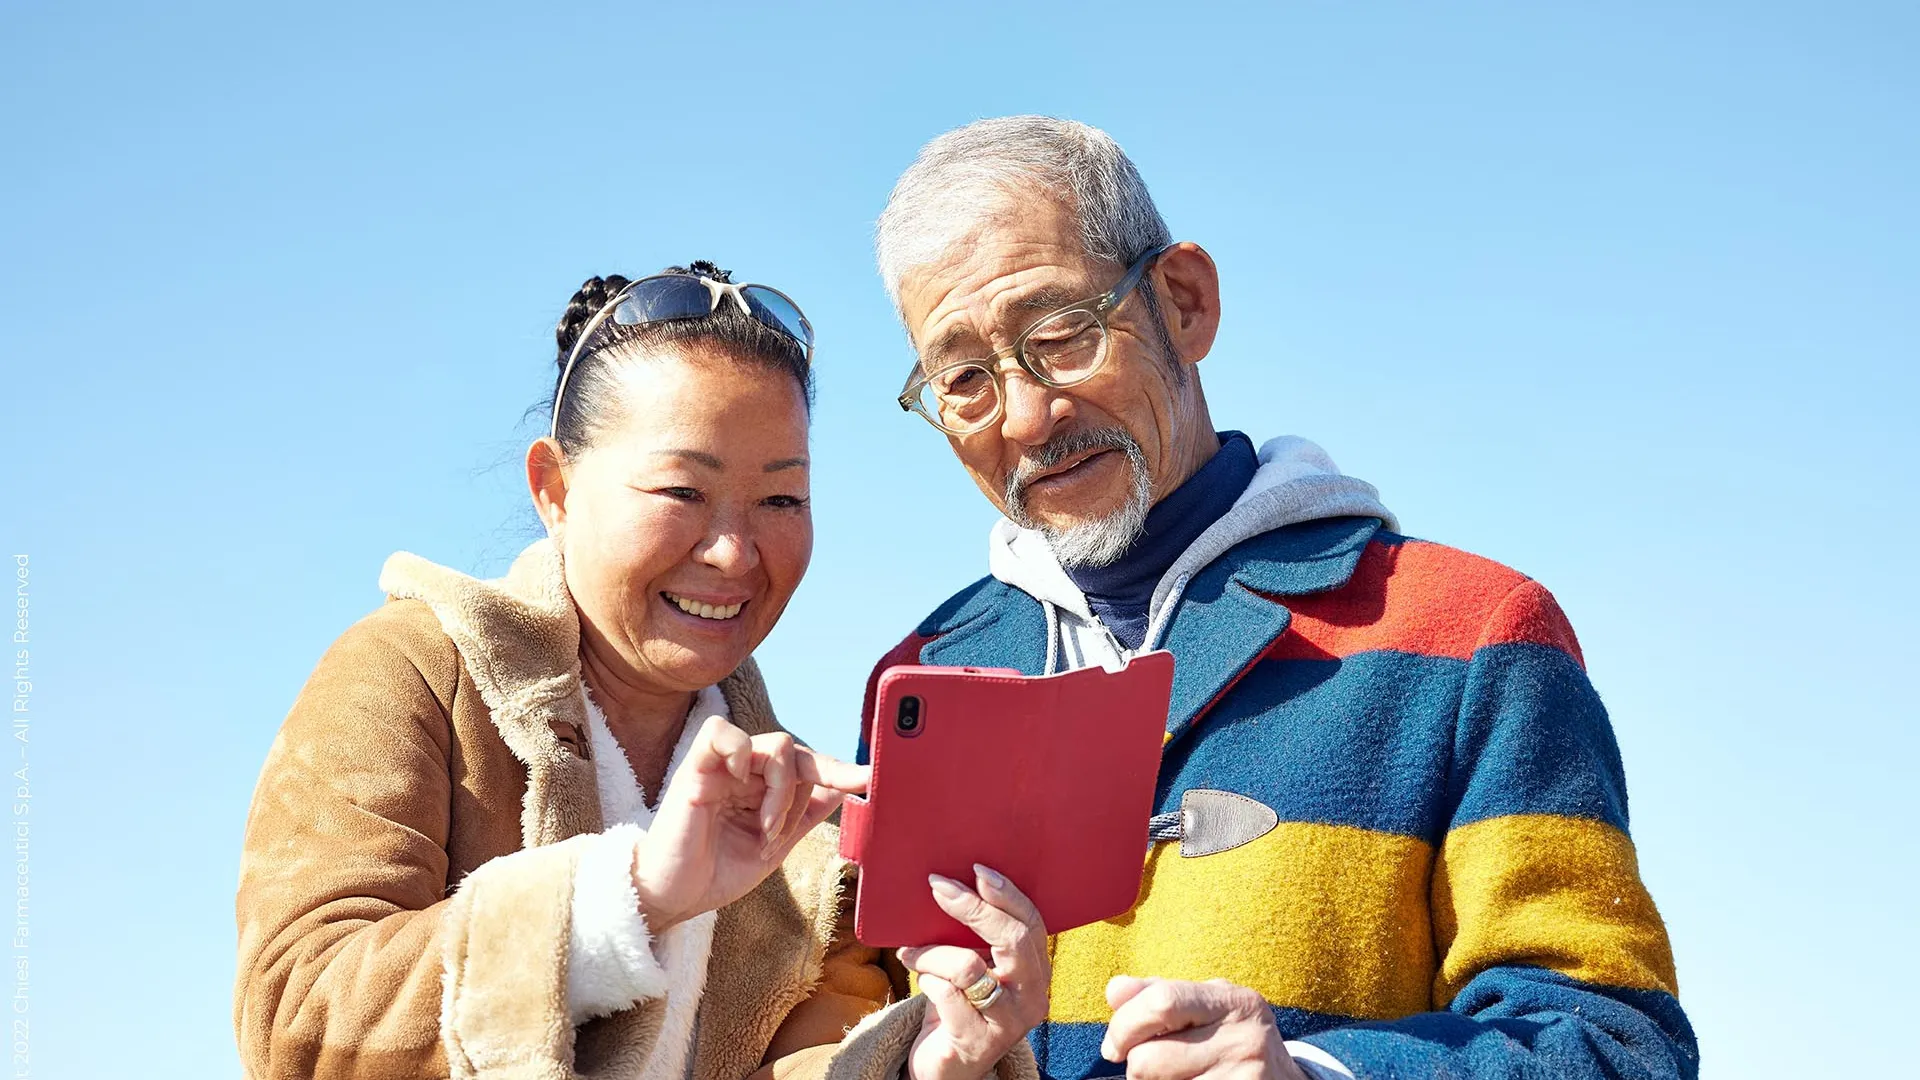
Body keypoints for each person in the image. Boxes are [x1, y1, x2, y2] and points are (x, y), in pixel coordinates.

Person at [858, 117, 1699, 1080]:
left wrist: (1317, 1075)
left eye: (1062, 334)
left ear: (1185, 303)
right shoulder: (915, 677)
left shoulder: (1477, 634)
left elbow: (1614, 1046)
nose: (1026, 414)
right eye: (963, 378)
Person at [232, 263, 1038, 1080]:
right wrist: (631, 896)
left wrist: (915, 1067)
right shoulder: (414, 674)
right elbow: (295, 1015)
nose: (733, 552)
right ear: (555, 489)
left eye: (782, 502)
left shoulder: (809, 825)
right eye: (682, 491)